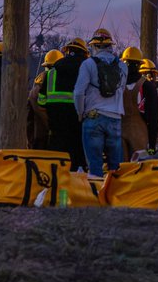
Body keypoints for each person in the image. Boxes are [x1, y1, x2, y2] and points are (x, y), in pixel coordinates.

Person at [73, 27, 127, 177]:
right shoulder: (122, 66)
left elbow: (78, 92)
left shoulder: (88, 64)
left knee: (95, 165)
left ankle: (96, 189)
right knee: (115, 168)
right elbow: (121, 89)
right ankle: (115, 190)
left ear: (94, 46)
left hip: (93, 117)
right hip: (115, 117)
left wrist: (80, 113)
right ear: (110, 46)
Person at [39, 38, 88, 170]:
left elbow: (41, 101)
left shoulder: (51, 73)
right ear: (84, 53)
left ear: (66, 52)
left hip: (56, 127)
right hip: (79, 126)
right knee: (78, 164)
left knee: (56, 165)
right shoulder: (87, 72)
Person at [120, 46, 158, 158]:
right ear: (139, 65)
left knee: (120, 167)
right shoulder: (148, 86)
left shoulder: (117, 85)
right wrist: (152, 146)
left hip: (119, 134)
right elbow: (153, 119)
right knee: (139, 167)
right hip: (140, 136)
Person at [27, 49, 62, 149]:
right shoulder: (66, 87)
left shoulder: (35, 90)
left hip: (39, 139)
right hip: (55, 139)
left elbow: (29, 119)